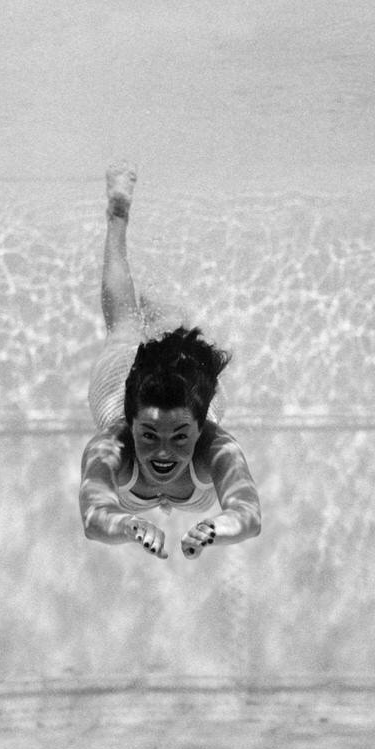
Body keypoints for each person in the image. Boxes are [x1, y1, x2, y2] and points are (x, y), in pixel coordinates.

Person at [80, 164, 262, 560]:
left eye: (180, 436)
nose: (163, 452)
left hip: (160, 392)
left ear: (201, 430)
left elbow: (248, 514)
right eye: (148, 435)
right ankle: (117, 215)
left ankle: (157, 319)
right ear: (129, 425)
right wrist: (127, 525)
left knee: (150, 328)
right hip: (119, 387)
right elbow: (94, 518)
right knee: (126, 327)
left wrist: (219, 527)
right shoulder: (110, 446)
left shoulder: (218, 447)